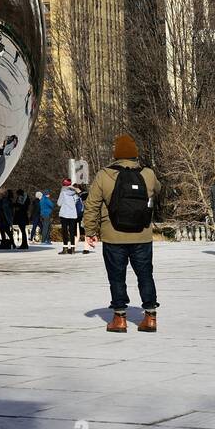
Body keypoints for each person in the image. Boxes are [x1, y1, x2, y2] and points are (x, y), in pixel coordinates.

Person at [83, 134, 162, 333]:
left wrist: (90, 231)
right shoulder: (148, 173)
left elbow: (91, 205)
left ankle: (119, 319)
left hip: (113, 236)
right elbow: (157, 190)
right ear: (135, 154)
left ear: (115, 154)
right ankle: (150, 317)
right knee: (145, 275)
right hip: (142, 235)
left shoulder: (104, 174)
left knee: (117, 277)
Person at [57, 179, 81, 254]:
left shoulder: (63, 192)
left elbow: (59, 203)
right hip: (73, 214)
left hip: (64, 214)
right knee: (72, 231)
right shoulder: (75, 193)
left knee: (65, 231)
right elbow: (77, 201)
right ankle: (73, 249)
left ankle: (65, 248)